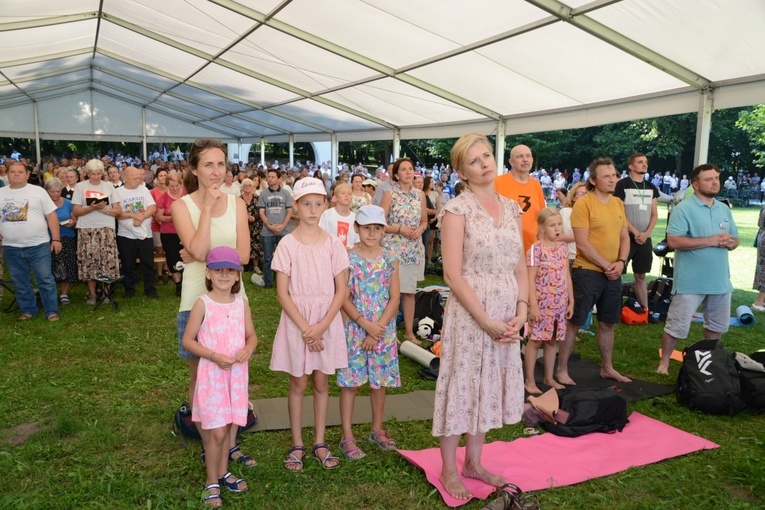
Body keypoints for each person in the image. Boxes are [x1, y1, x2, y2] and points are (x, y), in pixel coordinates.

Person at [432, 134, 528, 501]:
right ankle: (449, 467)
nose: (484, 163)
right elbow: (452, 275)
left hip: (506, 308)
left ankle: (474, 461)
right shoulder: (457, 210)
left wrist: (521, 310)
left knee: (488, 383)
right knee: (463, 383)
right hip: (471, 312)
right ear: (462, 171)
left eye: (487, 155)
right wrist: (485, 320)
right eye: (474, 160)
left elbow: (520, 265)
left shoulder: (512, 207)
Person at [171, 138, 254, 470]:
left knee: (235, 372)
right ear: (194, 168)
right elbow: (200, 249)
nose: (216, 171)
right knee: (201, 378)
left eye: (221, 164)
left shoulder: (238, 205)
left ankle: (229, 443)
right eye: (208, 164)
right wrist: (206, 211)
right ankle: (209, 444)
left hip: (235, 302)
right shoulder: (182, 206)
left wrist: (200, 252)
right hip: (196, 301)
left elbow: (244, 257)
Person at [269, 177, 350, 472]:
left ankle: (319, 442)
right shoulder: (287, 244)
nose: (312, 210)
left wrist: (323, 325)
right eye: (306, 204)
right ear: (296, 207)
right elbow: (282, 292)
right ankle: (297, 443)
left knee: (320, 381)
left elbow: (341, 290)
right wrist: (307, 328)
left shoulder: (333, 245)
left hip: (326, 319)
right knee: (298, 381)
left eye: (318, 204)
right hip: (297, 321)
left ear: (325, 206)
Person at [182, 246, 258, 508]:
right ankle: (211, 480)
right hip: (213, 376)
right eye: (218, 270)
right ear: (208, 273)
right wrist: (213, 356)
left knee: (228, 428)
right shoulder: (203, 304)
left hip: (236, 377)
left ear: (238, 275)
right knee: (216, 432)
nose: (224, 275)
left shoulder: (242, 303)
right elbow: (188, 341)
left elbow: (252, 335)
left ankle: (224, 471)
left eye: (230, 270)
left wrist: (247, 349)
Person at [657, 164, 739, 374]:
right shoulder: (683, 208)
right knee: (677, 326)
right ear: (695, 184)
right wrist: (710, 240)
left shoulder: (723, 208)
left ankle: (709, 362)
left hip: (720, 281)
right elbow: (674, 241)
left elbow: (736, 240)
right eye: (709, 179)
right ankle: (664, 362)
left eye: (717, 178)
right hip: (691, 281)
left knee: (716, 327)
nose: (715, 182)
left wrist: (731, 242)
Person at [557, 157, 632, 386]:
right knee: (576, 321)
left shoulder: (618, 203)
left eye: (614, 174)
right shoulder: (584, 203)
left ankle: (607, 368)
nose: (612, 179)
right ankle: (561, 370)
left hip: (613, 272)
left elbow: (624, 236)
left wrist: (620, 262)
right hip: (587, 272)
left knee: (608, 322)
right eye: (606, 176)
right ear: (593, 180)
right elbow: (582, 243)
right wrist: (606, 264)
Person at [337, 205, 401, 460]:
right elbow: (343, 297)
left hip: (382, 331)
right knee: (350, 384)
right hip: (355, 330)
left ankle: (377, 428)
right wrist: (364, 325)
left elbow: (394, 297)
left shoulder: (389, 258)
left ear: (383, 230)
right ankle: (347, 436)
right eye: (367, 228)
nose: (372, 233)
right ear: (357, 228)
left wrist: (377, 331)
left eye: (377, 228)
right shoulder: (348, 258)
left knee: (379, 383)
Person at [0, 161, 62, 321]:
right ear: (7, 174)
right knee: (20, 281)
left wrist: (56, 239)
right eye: (12, 172)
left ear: (27, 175)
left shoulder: (38, 192)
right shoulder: (1, 193)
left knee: (45, 279)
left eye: (20, 172)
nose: (16, 174)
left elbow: (52, 216)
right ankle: (28, 310)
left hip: (38, 245)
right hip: (11, 247)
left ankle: (51, 311)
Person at [525, 207, 574, 394]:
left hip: (559, 302)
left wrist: (571, 301)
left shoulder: (562, 248)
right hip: (542, 303)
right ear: (542, 228)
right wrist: (533, 305)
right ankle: (529, 380)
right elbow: (530, 279)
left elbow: (566, 275)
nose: (557, 228)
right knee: (536, 340)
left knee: (553, 339)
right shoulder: (536, 249)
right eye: (552, 225)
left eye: (559, 224)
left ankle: (548, 377)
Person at [380, 158, 428, 345]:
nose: (408, 172)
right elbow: (380, 223)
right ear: (396, 174)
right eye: (404, 169)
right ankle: (390, 333)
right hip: (394, 249)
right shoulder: (390, 194)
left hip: (413, 250)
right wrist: (400, 229)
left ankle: (409, 332)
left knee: (409, 292)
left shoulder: (420, 195)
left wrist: (421, 229)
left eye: (411, 169)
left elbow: (424, 220)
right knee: (393, 293)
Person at [71, 159, 122, 304]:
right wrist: (92, 208)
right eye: (93, 174)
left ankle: (107, 293)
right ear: (87, 174)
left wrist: (104, 210)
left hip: (106, 228)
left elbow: (118, 210)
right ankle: (92, 294)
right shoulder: (80, 187)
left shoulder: (109, 187)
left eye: (98, 173)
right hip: (87, 229)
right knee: (89, 261)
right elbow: (76, 211)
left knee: (107, 261)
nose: (96, 176)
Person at [613, 153, 660, 310]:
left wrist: (646, 233)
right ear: (631, 166)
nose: (644, 164)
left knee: (641, 275)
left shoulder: (651, 187)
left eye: (645, 162)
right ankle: (615, 307)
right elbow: (619, 212)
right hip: (625, 236)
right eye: (640, 162)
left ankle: (644, 308)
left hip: (645, 239)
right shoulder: (622, 184)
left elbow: (654, 214)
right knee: (618, 273)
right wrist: (634, 231)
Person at [115, 167, 158, 299]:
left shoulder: (144, 190)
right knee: (128, 264)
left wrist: (141, 217)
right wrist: (133, 216)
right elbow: (118, 213)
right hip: (126, 235)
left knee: (148, 263)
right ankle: (129, 289)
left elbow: (152, 207)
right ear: (125, 178)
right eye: (135, 178)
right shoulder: (117, 192)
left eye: (139, 178)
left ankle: (150, 289)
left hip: (145, 234)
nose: (138, 180)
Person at [494, 144, 546, 252]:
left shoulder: (536, 185)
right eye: (520, 156)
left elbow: (542, 218)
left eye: (528, 156)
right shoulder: (498, 183)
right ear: (511, 162)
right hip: (505, 249)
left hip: (532, 249)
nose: (525, 159)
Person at [44, 177, 78, 304]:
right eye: (52, 191)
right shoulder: (43, 204)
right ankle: (50, 292)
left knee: (67, 265)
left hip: (67, 237)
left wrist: (71, 223)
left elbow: (75, 221)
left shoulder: (68, 203)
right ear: (47, 191)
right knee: (49, 266)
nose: (56, 194)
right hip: (47, 238)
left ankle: (64, 293)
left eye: (58, 191)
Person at [257, 168, 293, 288]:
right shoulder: (263, 194)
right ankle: (268, 282)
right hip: (268, 232)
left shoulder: (286, 194)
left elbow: (289, 211)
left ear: (279, 179)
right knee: (267, 258)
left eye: (272, 177)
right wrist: (269, 226)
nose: (269, 179)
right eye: (269, 176)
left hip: (284, 231)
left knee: (284, 258)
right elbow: (262, 212)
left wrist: (282, 226)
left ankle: (284, 283)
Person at [155, 172, 186, 296]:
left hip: (185, 232)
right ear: (167, 185)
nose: (174, 188)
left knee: (187, 257)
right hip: (169, 233)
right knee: (173, 258)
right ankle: (178, 283)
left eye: (177, 186)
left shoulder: (187, 195)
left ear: (181, 184)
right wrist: (171, 218)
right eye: (171, 186)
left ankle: (187, 282)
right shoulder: (163, 198)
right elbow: (158, 216)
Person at [319, 182, 358, 250]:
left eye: (349, 194)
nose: (346, 195)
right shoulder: (327, 214)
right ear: (335, 197)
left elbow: (358, 242)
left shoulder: (355, 218)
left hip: (349, 256)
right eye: (343, 193)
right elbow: (320, 237)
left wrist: (351, 251)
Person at [560, 182, 587, 267]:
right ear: (573, 197)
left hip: (588, 258)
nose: (584, 196)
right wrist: (583, 236)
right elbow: (558, 237)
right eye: (580, 193)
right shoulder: (566, 212)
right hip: (570, 257)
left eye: (587, 193)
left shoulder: (594, 214)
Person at [240, 178, 264, 272]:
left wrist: (255, 218)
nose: (247, 187)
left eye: (249, 185)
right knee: (242, 244)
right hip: (242, 226)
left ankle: (256, 266)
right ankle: (241, 265)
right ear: (242, 187)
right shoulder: (238, 199)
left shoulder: (257, 199)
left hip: (256, 226)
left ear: (252, 187)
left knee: (256, 245)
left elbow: (262, 212)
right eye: (245, 186)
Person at [753, 205, 765, 312]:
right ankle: (759, 302)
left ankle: (762, 301)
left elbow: (759, 223)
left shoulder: (763, 207)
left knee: (761, 268)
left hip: (762, 237)